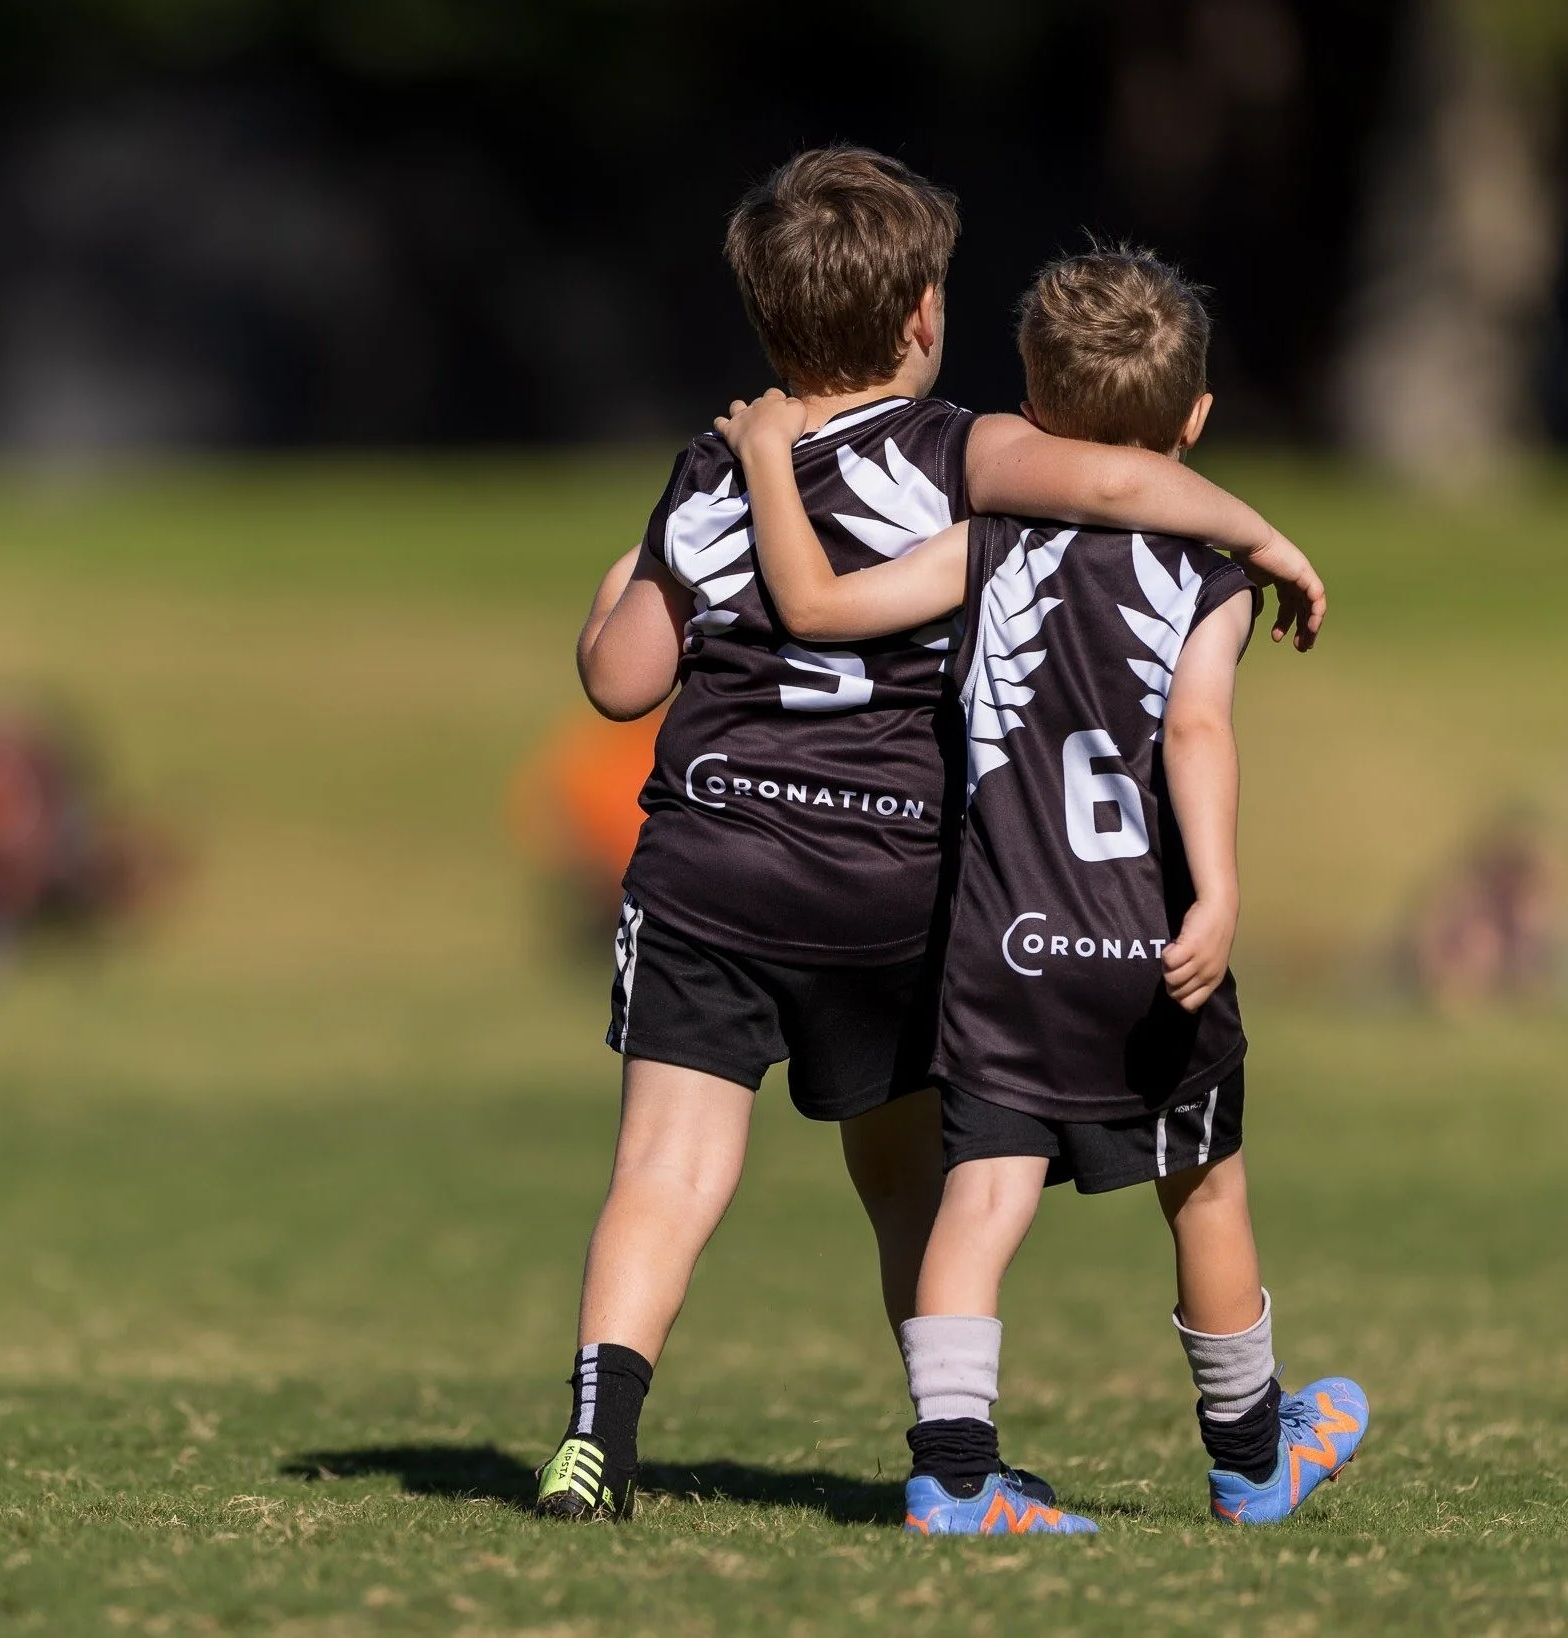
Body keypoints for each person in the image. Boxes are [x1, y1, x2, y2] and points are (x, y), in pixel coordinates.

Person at [537, 148, 1327, 1522]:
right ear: (919, 315)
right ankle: (947, 1451)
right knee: (906, 1169)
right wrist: (1262, 538)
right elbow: (1125, 488)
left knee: (666, 1167)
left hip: (709, 863)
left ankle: (596, 1438)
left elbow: (618, 681)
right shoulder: (959, 452)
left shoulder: (719, 468)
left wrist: (629, 569)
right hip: (890, 877)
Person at [718, 245, 1365, 1535]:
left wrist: (766, 465)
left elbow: (820, 607)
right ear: (1195, 422)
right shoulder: (1211, 578)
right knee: (1209, 1185)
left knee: (985, 1195)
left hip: (1003, 945)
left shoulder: (988, 543)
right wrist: (1219, 899)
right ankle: (1250, 1460)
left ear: (1031, 401)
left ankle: (955, 1475)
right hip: (1151, 947)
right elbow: (1196, 737)